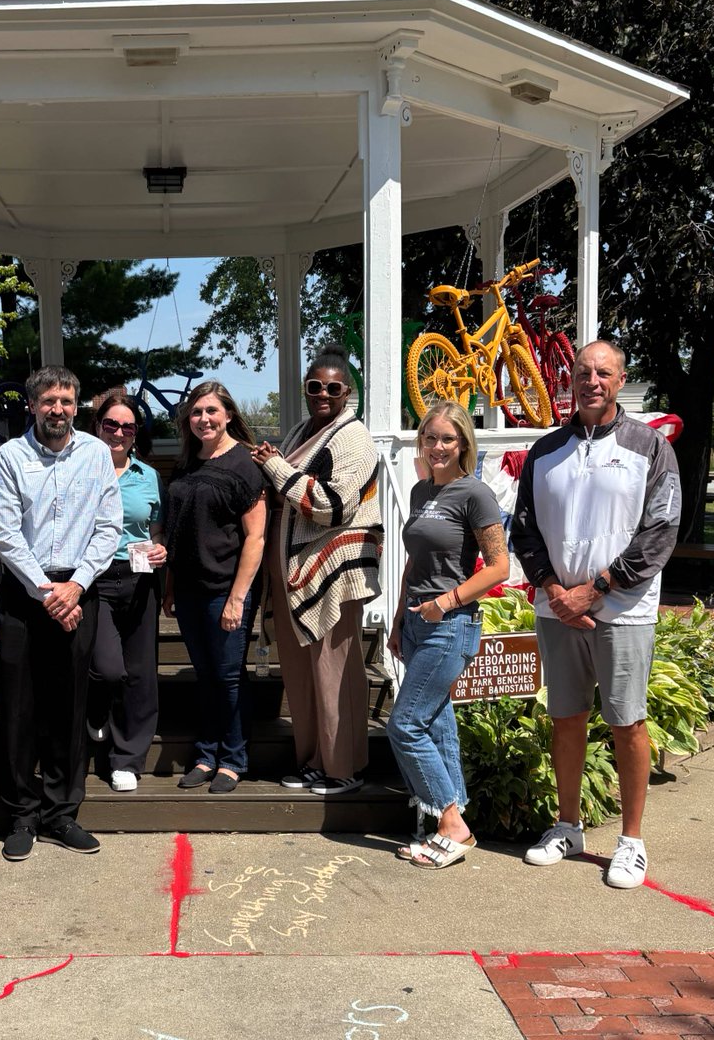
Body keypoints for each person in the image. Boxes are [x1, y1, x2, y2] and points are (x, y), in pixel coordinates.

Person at [512, 340, 680, 889]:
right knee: (566, 718)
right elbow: (525, 529)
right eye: (582, 372)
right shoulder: (544, 451)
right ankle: (568, 825)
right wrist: (555, 589)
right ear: (572, 381)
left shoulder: (649, 447)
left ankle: (631, 841)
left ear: (621, 378)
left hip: (624, 610)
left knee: (626, 721)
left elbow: (660, 532)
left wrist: (598, 588)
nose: (591, 381)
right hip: (556, 608)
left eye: (603, 372)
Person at [0, 366, 122, 860]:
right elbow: (6, 533)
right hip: (26, 593)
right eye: (49, 400)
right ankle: (22, 814)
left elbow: (108, 528)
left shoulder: (95, 453)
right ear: (32, 404)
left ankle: (62, 813)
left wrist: (76, 586)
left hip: (78, 585)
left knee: (69, 706)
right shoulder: (9, 457)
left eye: (66, 400)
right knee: (20, 707)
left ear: (77, 405)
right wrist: (49, 593)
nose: (58, 409)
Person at [251, 344, 383, 796]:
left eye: (332, 387)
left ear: (348, 392)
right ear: (306, 390)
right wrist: (276, 464)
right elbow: (286, 482)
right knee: (301, 676)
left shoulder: (354, 438)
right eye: (315, 386)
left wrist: (274, 466)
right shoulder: (299, 431)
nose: (323, 394)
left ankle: (343, 767)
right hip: (293, 574)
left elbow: (334, 505)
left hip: (331, 575)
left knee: (335, 674)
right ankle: (313, 761)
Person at [387, 401, 509, 870]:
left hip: (450, 624)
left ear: (463, 444)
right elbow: (415, 565)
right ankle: (453, 825)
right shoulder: (421, 492)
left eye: (447, 439)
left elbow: (500, 566)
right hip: (417, 623)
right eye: (430, 438)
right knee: (437, 725)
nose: (437, 447)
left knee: (405, 725)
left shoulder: (474, 494)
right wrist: (400, 619)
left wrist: (447, 602)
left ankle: (451, 822)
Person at [163, 382, 266, 794]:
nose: (203, 419)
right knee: (206, 676)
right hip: (188, 590)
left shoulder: (244, 465)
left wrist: (237, 599)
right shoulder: (187, 463)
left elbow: (255, 538)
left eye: (211, 411)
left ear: (227, 414)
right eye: (196, 413)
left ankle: (233, 759)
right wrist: (170, 587)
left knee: (227, 677)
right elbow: (177, 532)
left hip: (226, 588)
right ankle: (207, 754)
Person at [85, 394, 167, 792]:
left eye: (128, 427)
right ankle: (96, 709)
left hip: (139, 578)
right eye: (110, 425)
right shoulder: (80, 469)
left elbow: (154, 529)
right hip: (92, 578)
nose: (118, 433)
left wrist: (160, 547)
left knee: (139, 674)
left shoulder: (147, 476)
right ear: (97, 427)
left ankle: (128, 760)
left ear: (136, 434)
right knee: (106, 666)